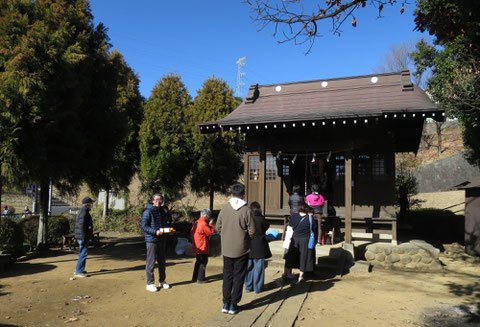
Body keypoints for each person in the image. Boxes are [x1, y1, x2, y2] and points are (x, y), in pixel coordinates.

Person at [216, 183, 256, 315]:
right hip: (242, 249)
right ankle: (234, 304)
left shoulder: (224, 209)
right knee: (239, 277)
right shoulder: (246, 210)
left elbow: (218, 228)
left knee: (227, 276)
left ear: (231, 194)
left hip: (227, 249)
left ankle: (225, 303)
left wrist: (226, 234)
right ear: (243, 195)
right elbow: (252, 231)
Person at [141, 193, 172, 292]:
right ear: (153, 201)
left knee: (162, 261)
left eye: (161, 200)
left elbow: (165, 223)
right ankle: (150, 283)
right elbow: (144, 226)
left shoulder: (162, 212)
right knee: (151, 262)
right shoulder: (148, 212)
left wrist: (169, 230)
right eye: (157, 200)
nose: (159, 202)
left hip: (162, 239)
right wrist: (155, 232)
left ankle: (162, 281)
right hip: (151, 240)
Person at [284, 203, 318, 283]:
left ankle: (288, 273)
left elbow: (290, 225)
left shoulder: (294, 216)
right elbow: (314, 229)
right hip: (305, 239)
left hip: (294, 238)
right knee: (304, 257)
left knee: (291, 255)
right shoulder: (310, 219)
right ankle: (301, 275)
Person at [244, 202, 271, 293]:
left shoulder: (247, 219)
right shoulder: (262, 219)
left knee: (248, 266)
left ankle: (248, 286)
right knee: (259, 267)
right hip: (260, 245)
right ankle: (258, 287)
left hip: (248, 245)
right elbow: (267, 226)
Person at [191, 208, 215, 283]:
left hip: (197, 245)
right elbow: (210, 232)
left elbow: (192, 232)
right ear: (206, 216)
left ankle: (195, 277)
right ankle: (200, 278)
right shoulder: (203, 224)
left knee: (198, 261)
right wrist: (211, 224)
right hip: (202, 245)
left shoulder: (197, 222)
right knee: (203, 261)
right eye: (209, 216)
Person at [73, 197, 94, 278]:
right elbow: (81, 226)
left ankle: (79, 269)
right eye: (91, 203)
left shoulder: (84, 211)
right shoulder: (84, 212)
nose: (92, 205)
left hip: (82, 236)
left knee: (82, 253)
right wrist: (84, 237)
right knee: (83, 253)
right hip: (83, 237)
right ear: (87, 204)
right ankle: (78, 271)